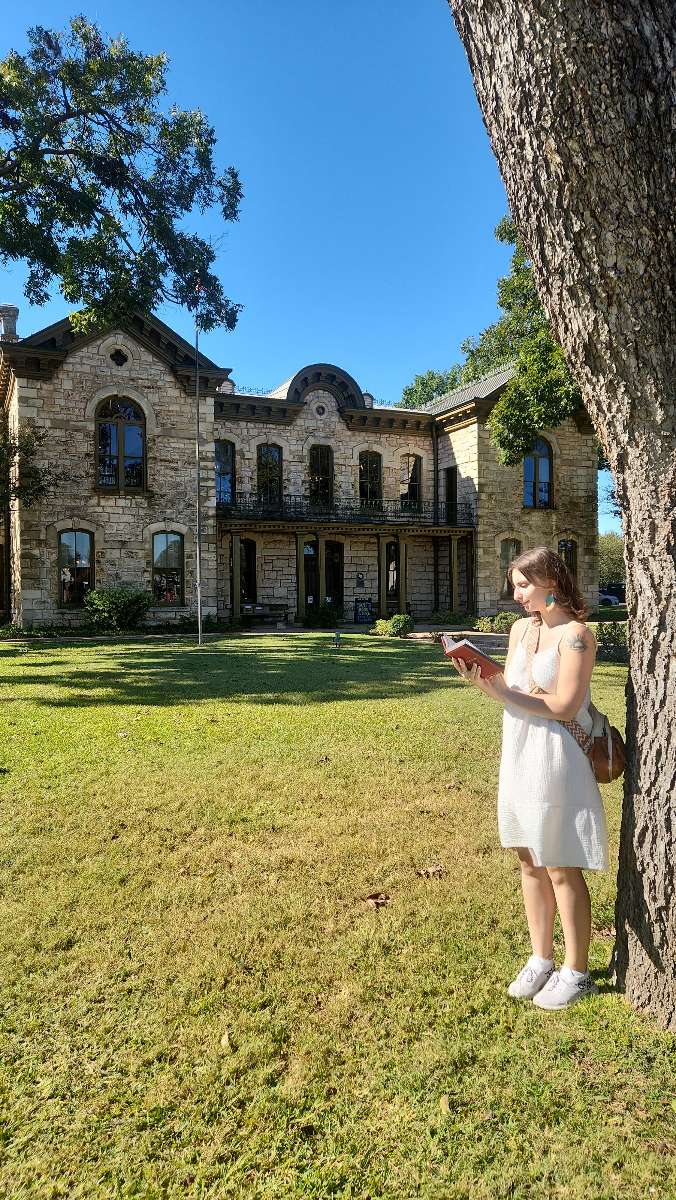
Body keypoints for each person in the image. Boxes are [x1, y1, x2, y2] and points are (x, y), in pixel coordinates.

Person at [450, 546, 608, 1010]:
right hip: (518, 749)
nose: (516, 595)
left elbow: (563, 705)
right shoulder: (520, 629)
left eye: (523, 585)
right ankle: (541, 959)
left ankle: (576, 971)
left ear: (550, 583)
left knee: (560, 861)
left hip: (557, 754)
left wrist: (504, 693)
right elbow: (512, 692)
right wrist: (482, 680)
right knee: (527, 857)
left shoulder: (577, 636)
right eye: (514, 585)